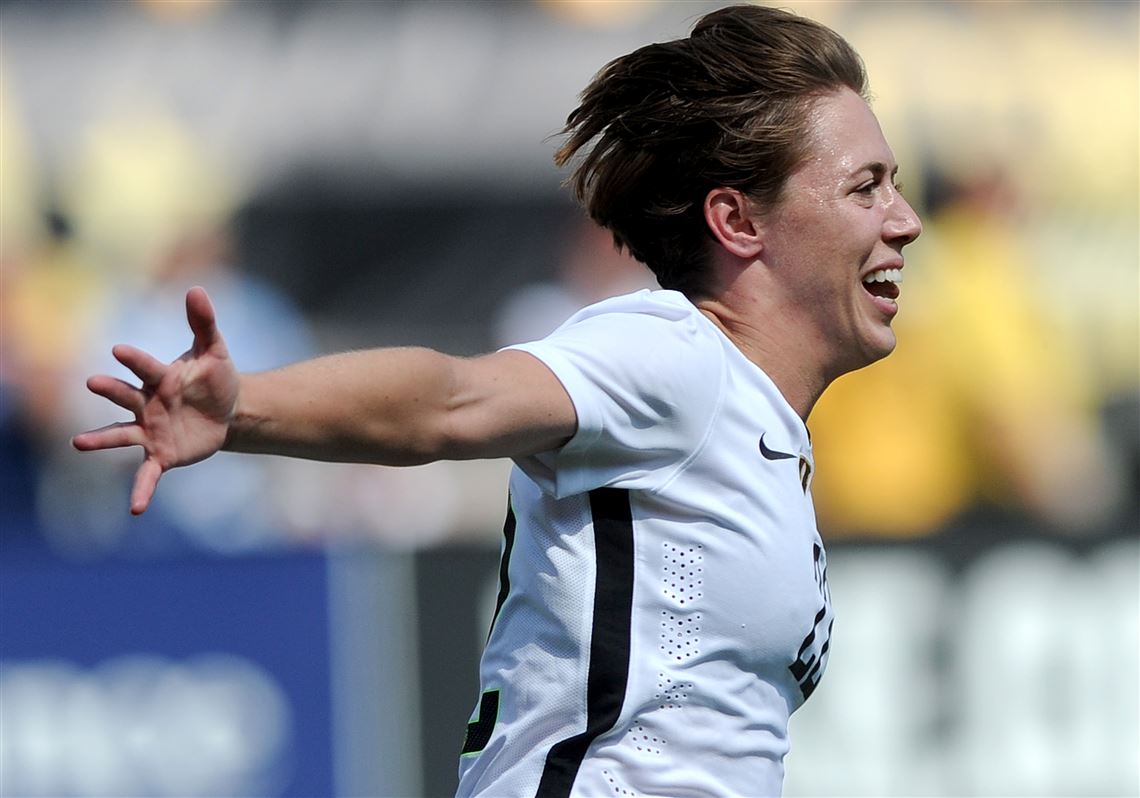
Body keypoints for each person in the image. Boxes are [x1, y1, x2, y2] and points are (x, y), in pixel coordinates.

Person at [73, 5, 921, 796]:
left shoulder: (757, 423)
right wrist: (243, 409)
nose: (905, 219)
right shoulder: (675, 356)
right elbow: (452, 399)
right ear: (737, 222)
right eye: (866, 187)